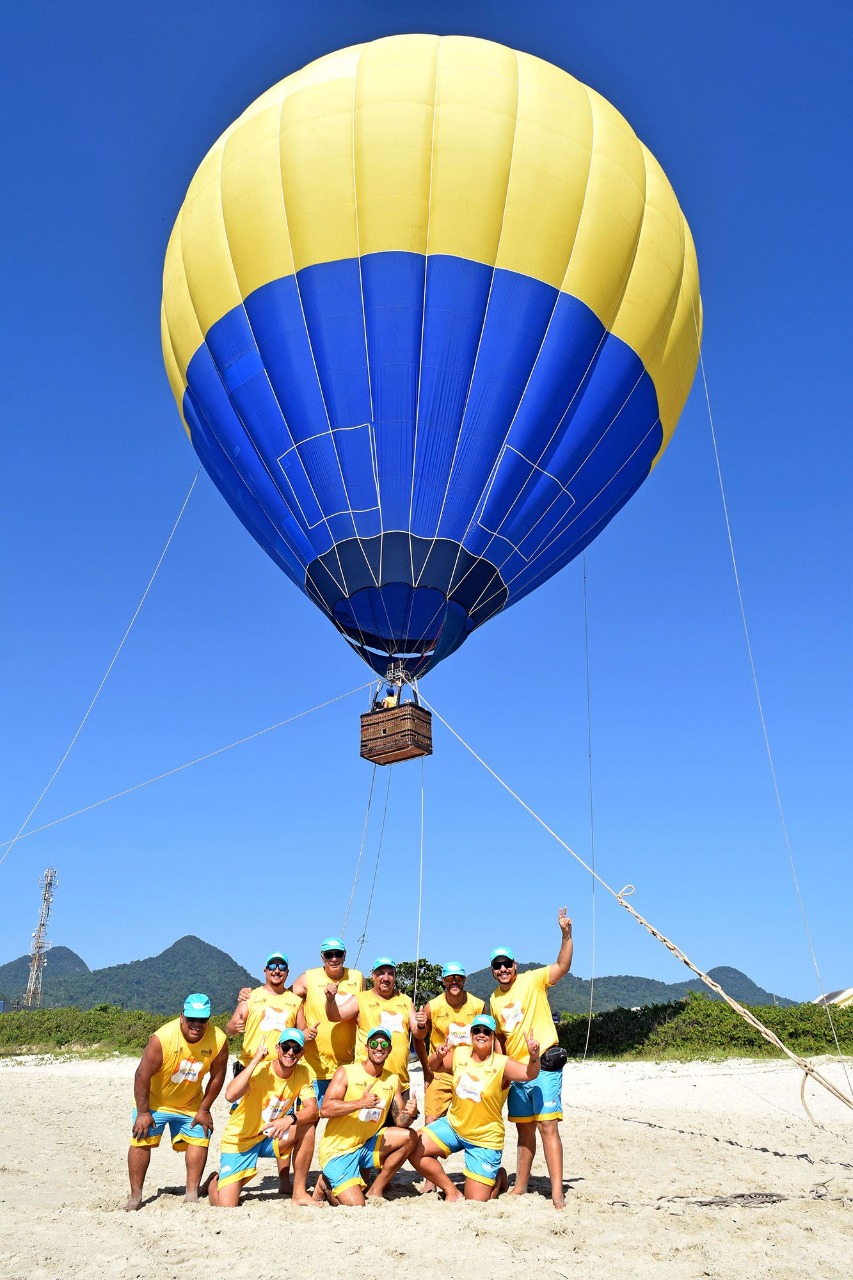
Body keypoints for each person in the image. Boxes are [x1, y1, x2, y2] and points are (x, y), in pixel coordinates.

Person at [489, 906, 573, 1210]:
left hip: (545, 1065)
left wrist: (566, 935)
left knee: (548, 1126)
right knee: (523, 1128)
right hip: (519, 1072)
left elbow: (562, 966)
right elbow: (499, 1037)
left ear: (515, 964)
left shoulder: (533, 979)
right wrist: (503, 1071)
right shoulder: (494, 999)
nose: (502, 970)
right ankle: (521, 1185)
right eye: (497, 966)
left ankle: (557, 1192)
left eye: (506, 964)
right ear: (492, 970)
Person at [409, 1014, 540, 1201]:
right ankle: (451, 1191)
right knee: (413, 1146)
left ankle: (499, 1177)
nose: (481, 1034)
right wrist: (438, 1055)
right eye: (477, 1030)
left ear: (493, 1037)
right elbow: (433, 1067)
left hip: (485, 1138)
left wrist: (534, 1057)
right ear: (471, 1035)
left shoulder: (502, 1063)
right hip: (454, 1127)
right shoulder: (460, 1054)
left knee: (475, 1200)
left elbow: (529, 1074)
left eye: (486, 1031)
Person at [125, 993, 228, 1210]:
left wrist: (204, 1109)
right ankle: (135, 1197)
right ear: (182, 1016)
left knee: (201, 1135)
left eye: (202, 1020)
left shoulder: (218, 1040)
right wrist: (143, 1113)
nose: (196, 1025)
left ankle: (191, 1193)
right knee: (140, 1139)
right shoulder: (162, 1038)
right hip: (155, 1102)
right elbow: (142, 1075)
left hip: (191, 1103)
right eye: (191, 1019)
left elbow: (217, 1077)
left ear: (208, 1019)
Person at [204, 1028, 319, 1207]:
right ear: (278, 1048)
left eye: (296, 1049)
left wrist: (290, 1119)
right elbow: (230, 1095)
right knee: (225, 1205)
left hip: (269, 1136)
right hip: (240, 1140)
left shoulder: (302, 1073)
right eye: (286, 1047)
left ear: (302, 1053)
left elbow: (313, 1111)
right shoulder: (261, 1071)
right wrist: (255, 1061)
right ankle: (214, 1181)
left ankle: (299, 1193)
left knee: (307, 1128)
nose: (290, 1052)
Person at [315, 1026, 419, 1206]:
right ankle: (324, 1184)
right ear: (367, 1047)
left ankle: (376, 1189)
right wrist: (359, 1103)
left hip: (365, 1145)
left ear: (389, 1050)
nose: (379, 1047)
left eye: (384, 1044)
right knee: (356, 1205)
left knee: (410, 1136)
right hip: (338, 1150)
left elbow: (401, 1122)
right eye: (374, 1043)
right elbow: (325, 1109)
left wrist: (411, 1114)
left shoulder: (392, 1079)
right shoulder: (346, 1072)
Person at [326, 956, 426, 1100]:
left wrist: (422, 1024)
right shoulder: (361, 999)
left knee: (400, 1123)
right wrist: (330, 1000)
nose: (386, 978)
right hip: (368, 1083)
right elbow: (335, 1016)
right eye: (381, 973)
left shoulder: (405, 1000)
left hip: (399, 1084)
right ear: (373, 975)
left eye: (390, 973)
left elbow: (418, 1033)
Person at [290, 936, 364, 1104]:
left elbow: (364, 1009)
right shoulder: (308, 977)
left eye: (338, 954)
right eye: (329, 955)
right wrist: (302, 1029)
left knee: (344, 1123)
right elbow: (285, 1000)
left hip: (346, 1068)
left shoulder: (357, 978)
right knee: (308, 1122)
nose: (334, 959)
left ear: (345, 955)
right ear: (322, 957)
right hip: (313, 1069)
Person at [420, 962, 485, 1123]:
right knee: (431, 1122)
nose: (454, 981)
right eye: (450, 977)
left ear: (465, 980)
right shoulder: (432, 1007)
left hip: (470, 1072)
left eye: (458, 977)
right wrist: (426, 1070)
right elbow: (418, 1037)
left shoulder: (478, 1006)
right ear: (443, 980)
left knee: (469, 1123)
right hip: (440, 1074)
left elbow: (489, 1038)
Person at [226, 951, 302, 1066]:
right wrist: (235, 1027)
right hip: (249, 1066)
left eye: (282, 966)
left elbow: (302, 1032)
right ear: (265, 970)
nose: (277, 970)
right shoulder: (250, 996)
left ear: (287, 972)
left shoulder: (296, 1001)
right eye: (272, 966)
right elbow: (229, 1029)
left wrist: (312, 1033)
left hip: (280, 1069)